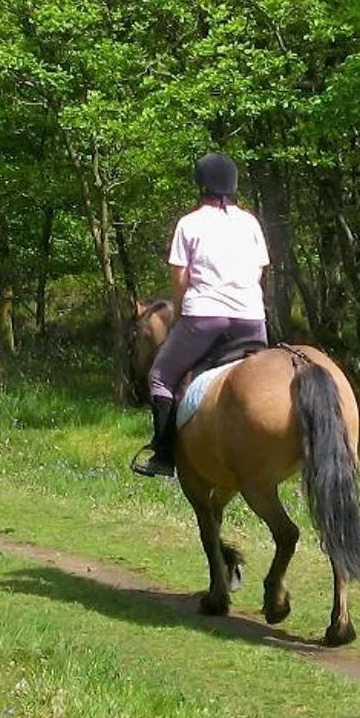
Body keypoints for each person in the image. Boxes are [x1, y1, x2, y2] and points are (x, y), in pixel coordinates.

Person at [131, 152, 270, 478]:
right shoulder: (250, 223)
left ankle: (164, 455)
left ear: (201, 185)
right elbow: (259, 270)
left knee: (160, 377)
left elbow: (180, 278)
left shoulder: (189, 224)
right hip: (251, 321)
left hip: (204, 318)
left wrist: (181, 313)